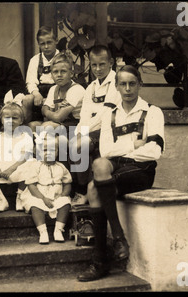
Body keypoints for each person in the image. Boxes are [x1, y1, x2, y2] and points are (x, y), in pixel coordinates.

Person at [77, 65, 165, 282]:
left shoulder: (152, 112)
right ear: (116, 87)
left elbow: (154, 152)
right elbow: (106, 151)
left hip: (140, 171)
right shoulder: (110, 114)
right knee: (99, 164)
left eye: (132, 83)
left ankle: (100, 262)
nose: (127, 89)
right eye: (123, 84)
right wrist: (135, 145)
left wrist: (126, 149)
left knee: (92, 188)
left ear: (140, 85)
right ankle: (117, 239)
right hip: (116, 166)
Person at [69, 45, 121, 205]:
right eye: (94, 65)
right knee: (68, 143)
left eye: (102, 64)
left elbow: (105, 115)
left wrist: (83, 133)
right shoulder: (91, 87)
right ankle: (76, 189)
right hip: (92, 130)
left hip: (109, 130)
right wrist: (79, 131)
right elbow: (84, 113)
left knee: (78, 145)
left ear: (110, 62)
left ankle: (82, 190)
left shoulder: (116, 83)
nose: (97, 69)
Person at [19, 132, 72, 244]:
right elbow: (32, 185)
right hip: (39, 194)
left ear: (58, 152)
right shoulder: (36, 166)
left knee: (65, 203)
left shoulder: (61, 167)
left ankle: (58, 229)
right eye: (44, 150)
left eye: (53, 150)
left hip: (57, 195)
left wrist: (63, 194)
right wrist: (43, 198)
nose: (49, 153)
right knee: (35, 206)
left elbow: (67, 183)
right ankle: (43, 231)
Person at [0, 102, 34, 212]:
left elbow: (24, 157)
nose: (11, 121)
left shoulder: (25, 137)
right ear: (2, 120)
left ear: (21, 121)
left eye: (15, 118)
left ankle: (20, 197)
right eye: (7, 118)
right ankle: (1, 199)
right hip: (0, 169)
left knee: (31, 163)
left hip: (17, 167)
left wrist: (12, 169)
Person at [28, 52, 85, 134]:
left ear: (71, 74)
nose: (59, 75)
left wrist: (48, 112)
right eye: (55, 72)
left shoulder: (76, 89)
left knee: (46, 126)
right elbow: (43, 109)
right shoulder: (53, 89)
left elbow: (58, 117)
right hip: (60, 124)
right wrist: (49, 113)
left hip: (75, 126)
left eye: (63, 71)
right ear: (51, 75)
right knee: (31, 126)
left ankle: (51, 145)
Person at [22, 26, 60, 123]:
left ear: (56, 41)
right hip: (39, 92)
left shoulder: (62, 58)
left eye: (49, 42)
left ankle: (47, 127)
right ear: (38, 44)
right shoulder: (35, 60)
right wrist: (36, 93)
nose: (46, 47)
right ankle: (24, 125)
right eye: (42, 44)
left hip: (57, 91)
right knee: (27, 99)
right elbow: (30, 82)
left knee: (50, 102)